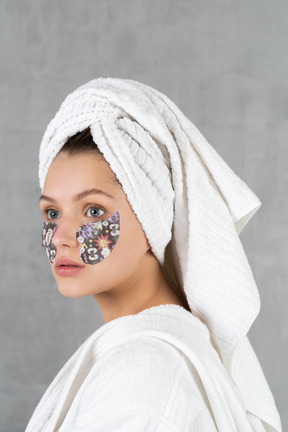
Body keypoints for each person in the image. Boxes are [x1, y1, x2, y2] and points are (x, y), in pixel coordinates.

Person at [25, 77, 282, 431]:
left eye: (94, 211)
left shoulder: (143, 374)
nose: (62, 237)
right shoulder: (143, 353)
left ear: (151, 218)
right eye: (52, 213)